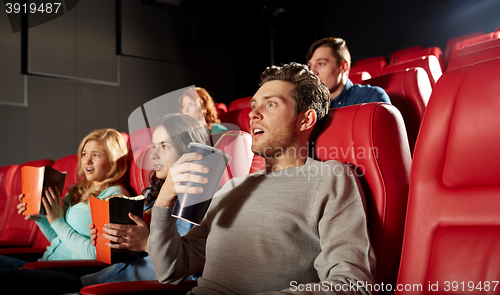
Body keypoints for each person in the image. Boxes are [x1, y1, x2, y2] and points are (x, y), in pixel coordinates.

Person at [148, 63, 376, 294]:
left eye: (271, 104)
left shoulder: (330, 178)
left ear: (306, 120)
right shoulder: (233, 186)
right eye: (254, 105)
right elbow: (170, 271)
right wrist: (164, 202)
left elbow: (353, 284)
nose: (253, 113)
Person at [81, 113, 209, 287]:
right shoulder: (153, 191)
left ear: (189, 149)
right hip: (98, 279)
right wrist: (110, 237)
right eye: (154, 146)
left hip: (129, 289)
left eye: (164, 146)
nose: (153, 155)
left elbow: (189, 271)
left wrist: (147, 244)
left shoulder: (198, 202)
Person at [0, 128, 130, 293]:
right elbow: (57, 237)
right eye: (84, 154)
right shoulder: (78, 189)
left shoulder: (114, 196)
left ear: (114, 161)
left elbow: (96, 255)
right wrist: (41, 218)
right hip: (44, 262)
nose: (87, 161)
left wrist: (56, 220)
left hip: (69, 271)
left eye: (96, 155)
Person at [307, 36, 391, 108]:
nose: (312, 72)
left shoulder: (372, 98)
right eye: (310, 66)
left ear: (344, 67)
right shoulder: (310, 106)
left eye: (321, 64)